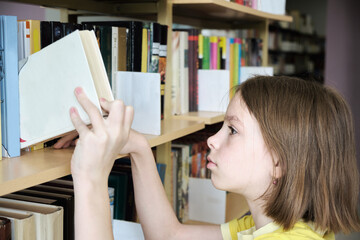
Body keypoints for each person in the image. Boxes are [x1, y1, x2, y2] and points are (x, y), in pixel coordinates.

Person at [58, 76, 360, 239]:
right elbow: (170, 236)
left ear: (280, 162)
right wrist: (138, 147)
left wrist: (90, 177)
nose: (212, 140)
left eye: (233, 130)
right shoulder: (271, 226)